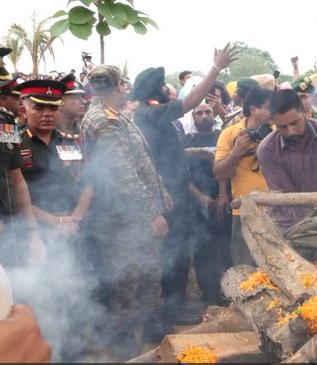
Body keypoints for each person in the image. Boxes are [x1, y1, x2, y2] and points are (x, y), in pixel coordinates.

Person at [130, 44, 237, 325]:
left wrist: (191, 153)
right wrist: (216, 68)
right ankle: (171, 308)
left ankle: (175, 304)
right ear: (156, 92)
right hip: (167, 197)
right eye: (166, 87)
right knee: (173, 252)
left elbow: (159, 150)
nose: (171, 90)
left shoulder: (150, 114)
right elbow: (190, 102)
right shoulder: (150, 113)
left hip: (175, 193)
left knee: (179, 250)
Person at [80, 65, 169, 356]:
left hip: (134, 216)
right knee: (126, 286)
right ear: (119, 85)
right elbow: (123, 174)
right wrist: (152, 212)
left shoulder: (115, 115)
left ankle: (153, 336)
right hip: (121, 220)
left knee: (149, 275)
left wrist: (160, 191)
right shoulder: (103, 120)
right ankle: (127, 348)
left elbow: (139, 161)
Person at [257, 89, 317, 231]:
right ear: (272, 121)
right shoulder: (267, 150)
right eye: (282, 127)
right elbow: (289, 199)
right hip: (285, 224)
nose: (291, 131)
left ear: (304, 111)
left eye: (295, 123)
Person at [16, 80, 93, 245]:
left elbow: (88, 183)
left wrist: (74, 221)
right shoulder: (15, 145)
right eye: (38, 108)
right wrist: (55, 222)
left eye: (53, 108)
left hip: (75, 228)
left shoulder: (72, 141)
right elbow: (14, 193)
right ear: (23, 111)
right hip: (35, 231)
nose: (47, 114)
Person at [214, 86, 272, 265]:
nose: (274, 112)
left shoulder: (279, 131)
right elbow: (219, 173)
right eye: (269, 107)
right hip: (244, 213)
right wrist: (236, 153)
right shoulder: (230, 133)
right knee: (245, 270)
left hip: (278, 212)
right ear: (254, 109)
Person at [0, 55, 44, 267]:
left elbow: (16, 179)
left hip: (10, 228)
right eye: (15, 96)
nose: (19, 101)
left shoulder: (7, 125)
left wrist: (32, 233)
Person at [182, 103, 229, 305]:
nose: (204, 116)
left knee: (225, 247)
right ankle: (209, 295)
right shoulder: (185, 140)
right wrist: (200, 197)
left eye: (208, 112)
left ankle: (229, 292)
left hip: (224, 199)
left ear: (214, 115)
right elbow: (181, 175)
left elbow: (227, 168)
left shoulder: (223, 137)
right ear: (193, 117)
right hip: (196, 204)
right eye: (198, 113)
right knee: (203, 249)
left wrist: (222, 194)